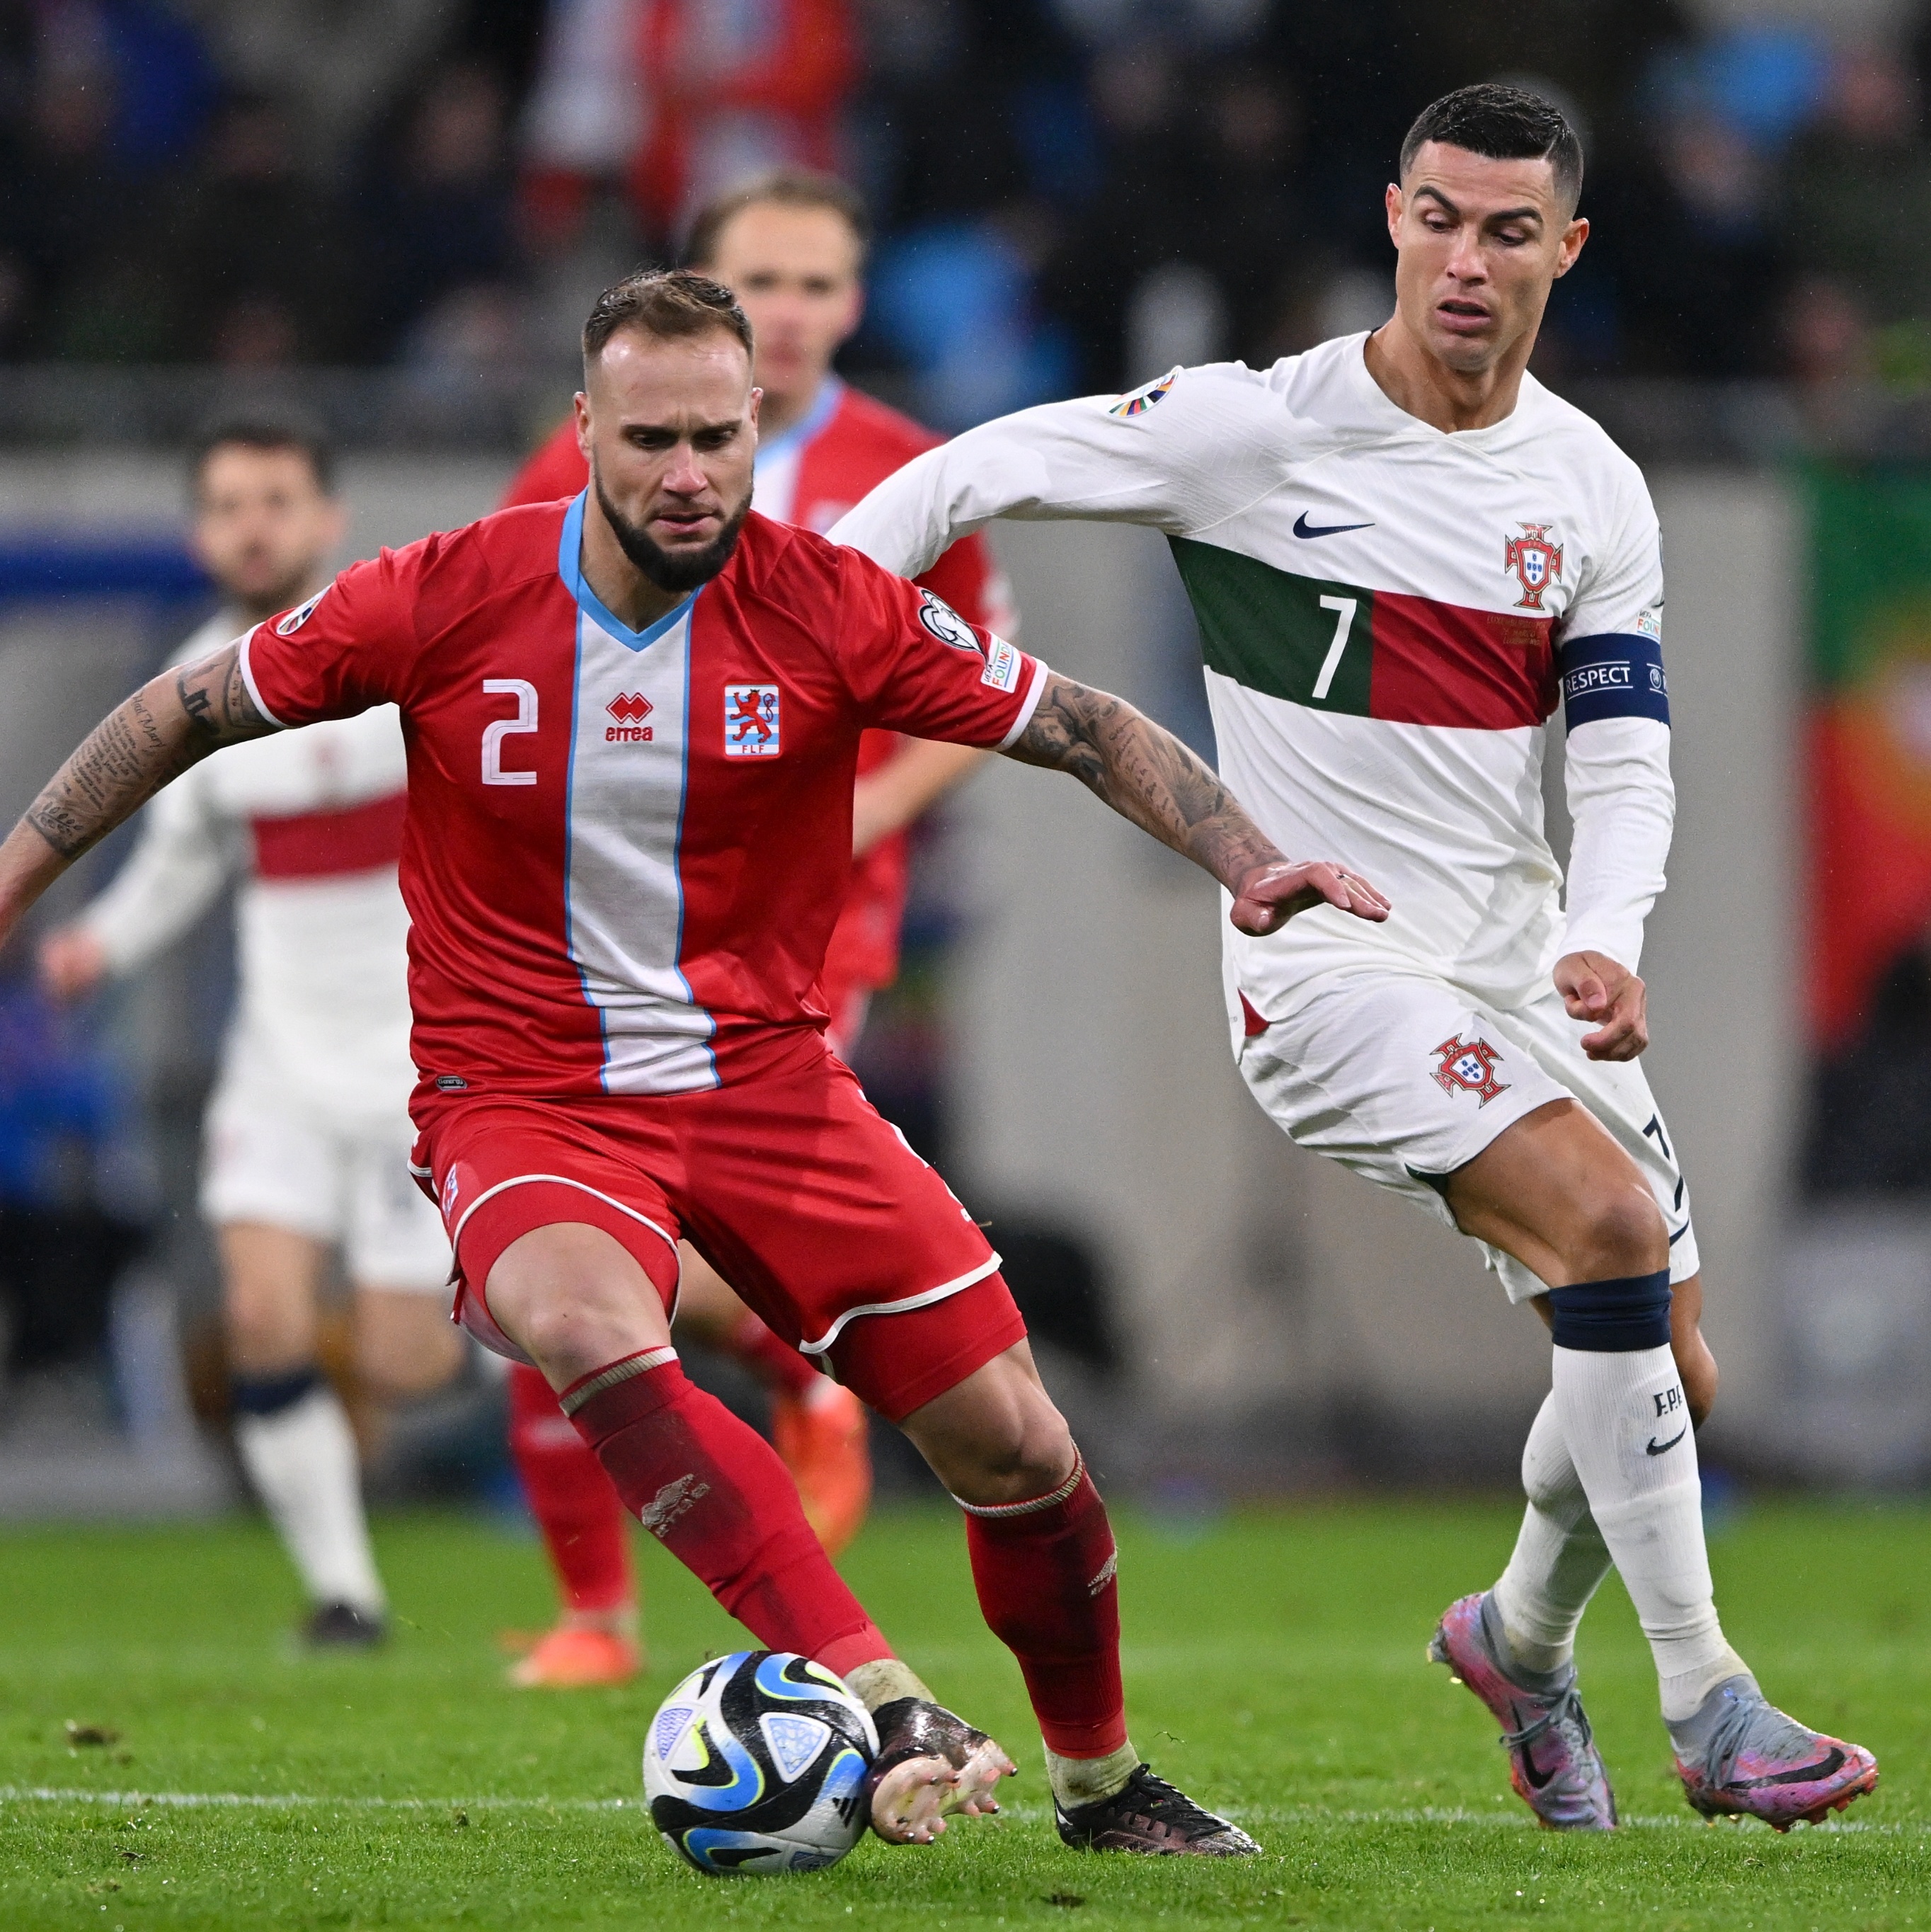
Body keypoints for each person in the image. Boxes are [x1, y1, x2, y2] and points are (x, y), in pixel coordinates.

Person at [0, 268, 1388, 1854]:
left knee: (1019, 1448)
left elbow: (1077, 724)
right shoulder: (441, 592)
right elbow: (183, 713)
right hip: (519, 1093)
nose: (685, 474)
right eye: (648, 437)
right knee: (588, 1321)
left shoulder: (831, 601)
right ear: (580, 430)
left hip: (767, 1086)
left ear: (752, 428)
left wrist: (1245, 858)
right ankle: (875, 1698)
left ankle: (1099, 1786)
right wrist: (16, 879)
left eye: (716, 439)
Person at [830, 84, 1881, 1834]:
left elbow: (1621, 755)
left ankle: (1515, 1637)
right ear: (1394, 216)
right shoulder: (1250, 429)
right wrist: (835, 612)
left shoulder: (1588, 486)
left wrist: (1603, 938)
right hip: (1326, 973)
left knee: (1660, 1376)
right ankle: (1709, 1706)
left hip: (1521, 975)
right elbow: (966, 466)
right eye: (1440, 221)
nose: (1468, 262)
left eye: (1509, 231)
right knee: (1609, 1241)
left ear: (1567, 248)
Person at [495, 166, 1014, 1689]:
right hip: (587, 936)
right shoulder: (574, 463)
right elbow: (514, 644)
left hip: (804, 936)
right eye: (761, 282)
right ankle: (613, 1589)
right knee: (571, 1252)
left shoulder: (906, 469)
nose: (789, 314)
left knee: (639, 1238)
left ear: (854, 303)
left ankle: (794, 1400)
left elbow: (982, 694)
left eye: (817, 285)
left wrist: (850, 820)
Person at [38, 420, 463, 1646]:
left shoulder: (405, 660)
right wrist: (100, 946)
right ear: (200, 532)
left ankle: (516, 1341)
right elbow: (177, 866)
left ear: (329, 517)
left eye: (277, 498)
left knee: (402, 1364)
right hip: (279, 1064)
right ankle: (346, 1595)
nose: (253, 524)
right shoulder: (189, 696)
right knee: (262, 1320)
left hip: (416, 1069)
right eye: (228, 503)